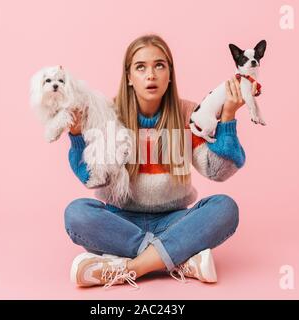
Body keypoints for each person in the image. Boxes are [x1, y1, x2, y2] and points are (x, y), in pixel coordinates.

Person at [64, 34, 258, 289]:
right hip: (120, 222)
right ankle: (176, 258)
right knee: (77, 213)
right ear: (129, 77)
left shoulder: (189, 114)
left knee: (225, 207)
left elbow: (217, 171)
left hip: (174, 221)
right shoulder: (108, 116)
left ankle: (132, 267)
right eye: (140, 67)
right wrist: (77, 136)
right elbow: (92, 178)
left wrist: (229, 116)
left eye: (159, 65)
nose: (151, 75)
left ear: (170, 74)